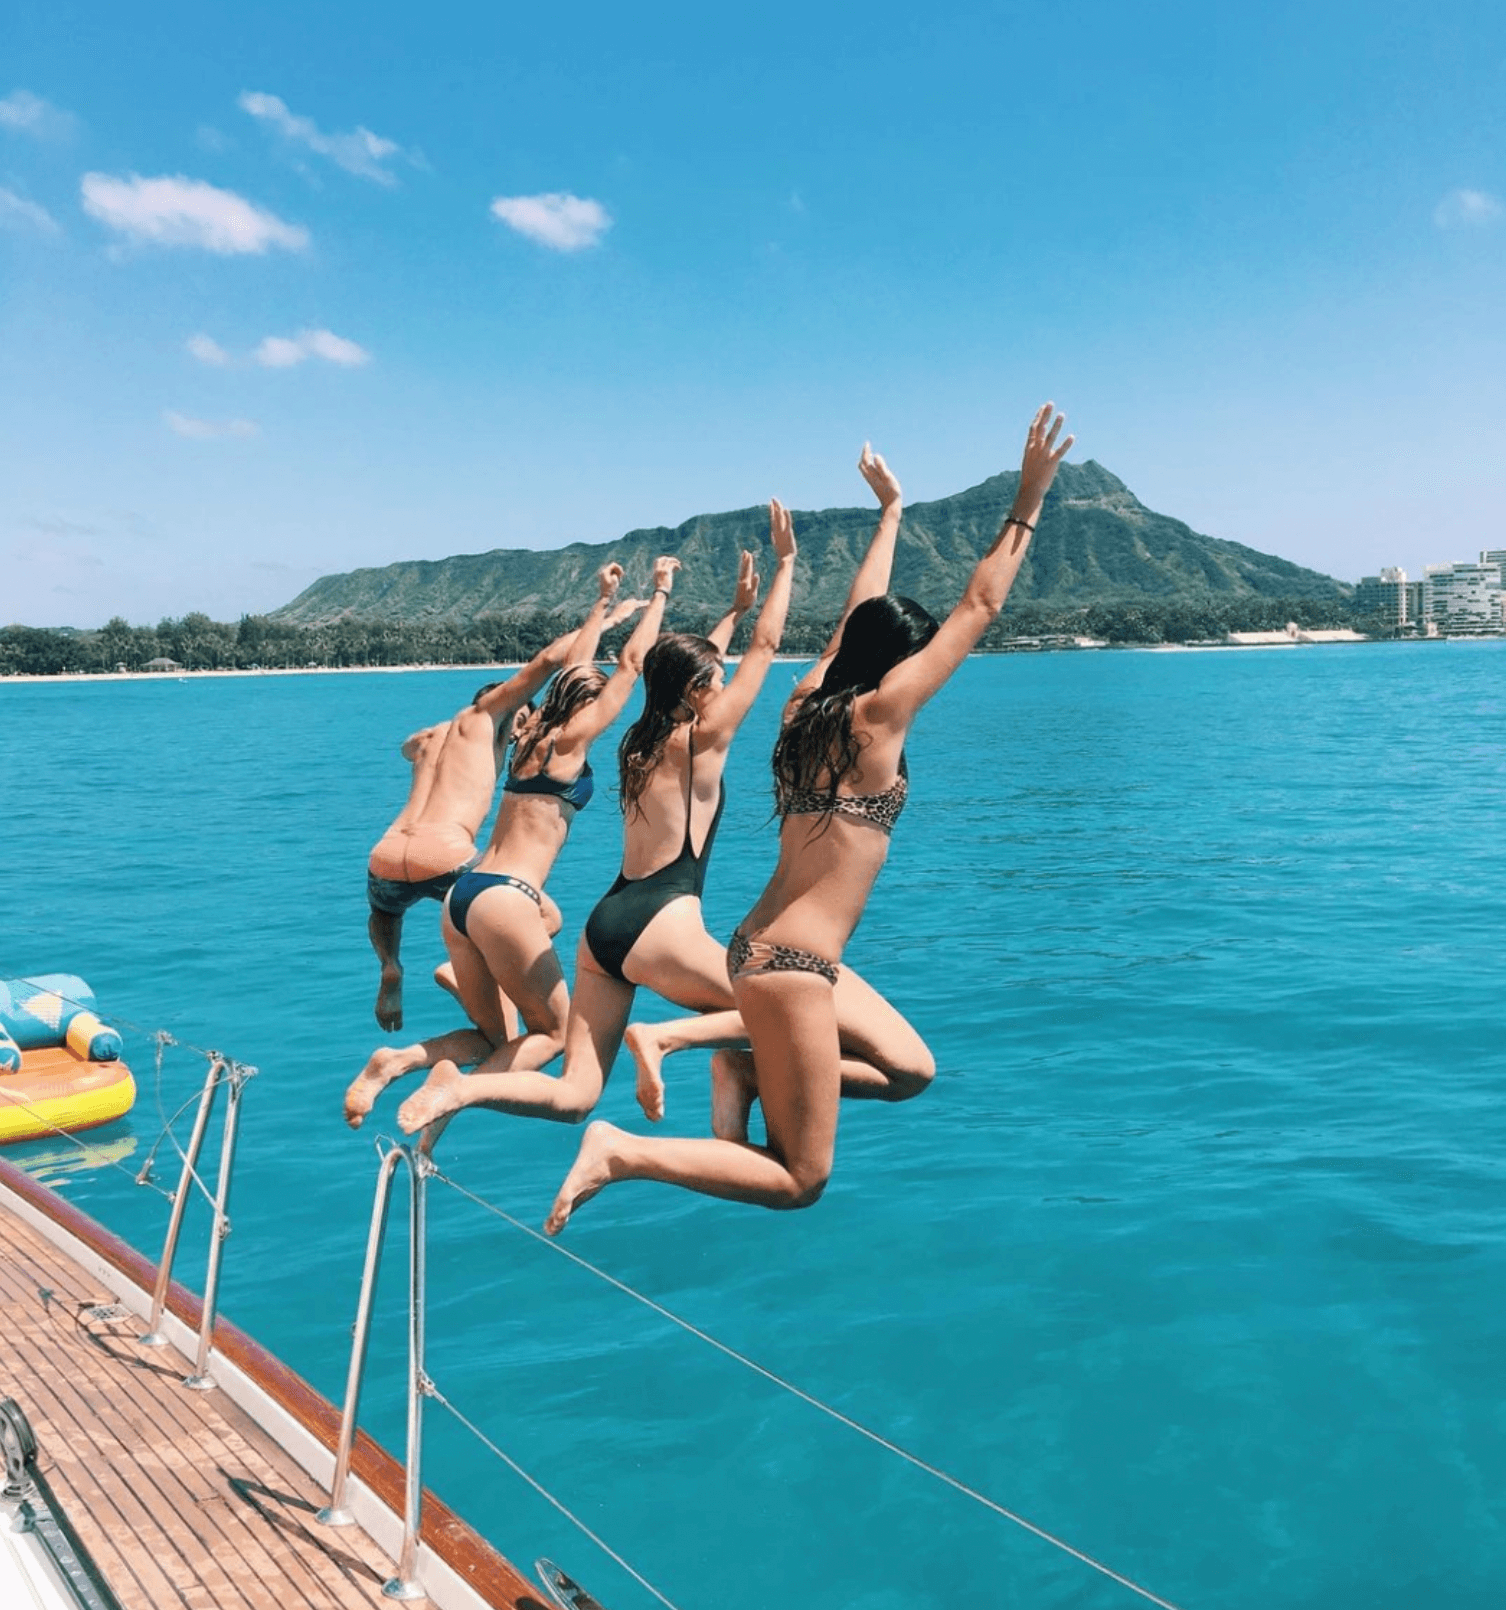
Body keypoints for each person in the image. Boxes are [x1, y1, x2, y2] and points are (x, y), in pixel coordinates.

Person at [545, 404, 1074, 1233]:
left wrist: (891, 514)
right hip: (792, 963)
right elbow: (978, 606)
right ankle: (621, 1150)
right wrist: (1029, 498)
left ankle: (748, 1073)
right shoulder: (877, 720)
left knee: (908, 1069)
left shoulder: (805, 707)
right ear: (901, 666)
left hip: (765, 948)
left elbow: (853, 619)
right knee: (800, 1179)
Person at [394, 502, 799, 1136]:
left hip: (603, 928)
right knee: (787, 1009)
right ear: (700, 692)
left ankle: (463, 1093)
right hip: (662, 920)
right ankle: (663, 1040)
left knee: (577, 1094)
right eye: (713, 683)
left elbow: (677, 671)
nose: (721, 688)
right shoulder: (699, 740)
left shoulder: (634, 742)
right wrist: (785, 566)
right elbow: (753, 653)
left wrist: (731, 614)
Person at [388, 556, 681, 1133]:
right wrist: (660, 594)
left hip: (462, 897)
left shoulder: (531, 737)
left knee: (499, 1036)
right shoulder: (570, 743)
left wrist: (602, 602)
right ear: (587, 709)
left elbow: (576, 666)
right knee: (553, 1035)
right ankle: (456, 1089)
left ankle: (421, 1095)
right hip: (504, 897)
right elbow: (630, 663)